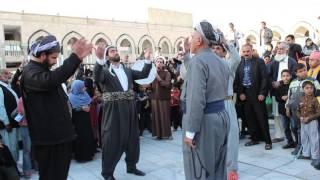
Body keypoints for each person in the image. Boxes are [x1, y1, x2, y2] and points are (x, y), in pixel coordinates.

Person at [20, 35, 93, 180]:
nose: (54, 62)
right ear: (42, 55)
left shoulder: (40, 70)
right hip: (49, 141)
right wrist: (74, 58)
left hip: (58, 139)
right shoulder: (30, 72)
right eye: (53, 58)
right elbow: (51, 80)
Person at [93, 45, 152, 180]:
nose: (115, 52)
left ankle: (131, 166)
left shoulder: (127, 71)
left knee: (132, 138)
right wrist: (99, 60)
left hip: (130, 108)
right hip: (114, 110)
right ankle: (107, 173)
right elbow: (96, 76)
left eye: (116, 50)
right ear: (107, 56)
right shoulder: (105, 71)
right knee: (112, 140)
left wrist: (147, 60)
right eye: (112, 51)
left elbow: (143, 74)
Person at [182, 20, 230, 180]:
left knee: (199, 169)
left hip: (205, 122)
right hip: (221, 117)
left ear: (199, 40)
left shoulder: (198, 61)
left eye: (192, 35)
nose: (190, 39)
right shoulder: (220, 60)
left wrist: (190, 132)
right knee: (217, 168)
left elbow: (196, 100)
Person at [211, 32, 241, 179]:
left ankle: (231, 170)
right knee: (214, 139)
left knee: (231, 137)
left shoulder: (228, 65)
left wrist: (226, 42)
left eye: (218, 48)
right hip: (211, 106)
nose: (215, 50)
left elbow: (236, 58)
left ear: (223, 53)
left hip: (227, 103)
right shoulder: (206, 66)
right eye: (213, 48)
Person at [234, 43, 272, 150]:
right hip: (245, 96)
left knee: (262, 118)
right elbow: (238, 79)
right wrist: (240, 93)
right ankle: (255, 138)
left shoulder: (259, 61)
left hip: (257, 94)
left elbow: (265, 78)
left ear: (252, 51)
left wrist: (262, 93)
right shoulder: (241, 63)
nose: (246, 53)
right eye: (244, 51)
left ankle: (268, 141)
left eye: (248, 51)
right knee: (250, 118)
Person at [286, 63, 320, 155]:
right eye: (300, 71)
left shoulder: (313, 81)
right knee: (295, 128)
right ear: (296, 73)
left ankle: (310, 151)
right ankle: (300, 146)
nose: (303, 72)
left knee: (308, 132)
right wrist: (287, 107)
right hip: (295, 111)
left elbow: (318, 96)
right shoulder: (293, 82)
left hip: (308, 113)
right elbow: (290, 96)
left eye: (305, 70)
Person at [268, 42, 297, 143]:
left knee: (291, 116)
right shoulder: (274, 61)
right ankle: (279, 135)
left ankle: (293, 138)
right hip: (277, 92)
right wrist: (273, 83)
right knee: (277, 114)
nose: (278, 51)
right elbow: (268, 74)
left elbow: (294, 75)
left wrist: (279, 82)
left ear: (286, 50)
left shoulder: (292, 62)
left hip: (289, 93)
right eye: (278, 49)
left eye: (281, 49)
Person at [69, 80, 95, 162]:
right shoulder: (71, 97)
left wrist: (88, 107)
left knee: (87, 136)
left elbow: (89, 102)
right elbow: (71, 109)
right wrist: (81, 108)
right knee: (80, 137)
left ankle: (89, 154)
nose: (84, 88)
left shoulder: (85, 94)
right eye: (83, 87)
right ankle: (81, 157)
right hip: (78, 121)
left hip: (86, 119)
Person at [296, 81, 320, 168]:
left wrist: (309, 118)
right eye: (307, 88)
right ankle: (306, 154)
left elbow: (318, 112)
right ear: (303, 89)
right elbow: (297, 110)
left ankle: (315, 157)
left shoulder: (315, 100)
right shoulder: (301, 99)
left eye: (311, 88)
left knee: (314, 139)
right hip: (303, 122)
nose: (309, 90)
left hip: (312, 122)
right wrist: (300, 117)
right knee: (304, 137)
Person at [150, 56, 172, 139]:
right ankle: (158, 135)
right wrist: (146, 86)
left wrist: (159, 78)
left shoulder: (167, 73)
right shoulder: (152, 73)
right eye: (157, 61)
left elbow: (167, 84)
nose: (159, 63)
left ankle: (167, 134)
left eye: (160, 62)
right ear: (155, 63)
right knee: (156, 117)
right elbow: (151, 86)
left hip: (164, 98)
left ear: (163, 64)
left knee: (164, 116)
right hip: (154, 98)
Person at [0, 69, 19, 162]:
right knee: (10, 147)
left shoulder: (7, 86)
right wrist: (6, 123)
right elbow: (1, 107)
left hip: (13, 122)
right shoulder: (0, 88)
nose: (8, 75)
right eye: (5, 73)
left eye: (9, 73)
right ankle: (12, 169)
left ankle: (15, 167)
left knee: (14, 146)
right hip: (6, 124)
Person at [274, 70, 296, 149]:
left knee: (294, 127)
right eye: (283, 76)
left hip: (292, 110)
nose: (285, 77)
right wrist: (281, 98)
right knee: (285, 127)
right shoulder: (279, 86)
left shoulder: (293, 85)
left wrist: (288, 97)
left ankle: (297, 142)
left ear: (290, 76)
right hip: (282, 110)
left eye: (287, 75)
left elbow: (295, 96)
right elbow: (276, 97)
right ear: (281, 77)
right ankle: (290, 142)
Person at [17, 97, 32, 178]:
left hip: (29, 127)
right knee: (27, 150)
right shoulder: (22, 100)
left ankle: (30, 168)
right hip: (25, 127)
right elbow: (21, 113)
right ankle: (27, 170)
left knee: (28, 150)